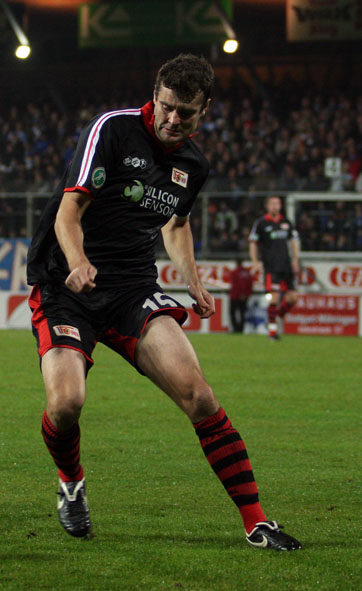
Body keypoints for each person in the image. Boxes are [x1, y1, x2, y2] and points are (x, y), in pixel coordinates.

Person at [25, 54, 301, 550]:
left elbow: (177, 224)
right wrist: (78, 262)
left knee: (199, 395)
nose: (173, 119)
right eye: (167, 106)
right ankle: (71, 483)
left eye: (186, 112)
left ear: (204, 109)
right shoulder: (112, 130)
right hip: (67, 286)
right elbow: (69, 210)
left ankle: (257, 523)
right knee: (66, 404)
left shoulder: (194, 165)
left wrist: (193, 281)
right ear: (154, 95)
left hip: (132, 287)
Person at [248, 195, 300, 340]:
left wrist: (295, 260)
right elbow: (253, 242)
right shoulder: (261, 223)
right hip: (271, 267)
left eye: (277, 204)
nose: (275, 206)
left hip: (286, 265)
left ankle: (274, 317)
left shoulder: (286, 222)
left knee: (293, 298)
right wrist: (255, 262)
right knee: (274, 297)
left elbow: (294, 241)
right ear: (267, 206)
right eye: (272, 204)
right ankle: (272, 331)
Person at [228, 257, 253, 333]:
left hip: (235, 296)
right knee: (242, 313)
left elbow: (235, 285)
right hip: (244, 297)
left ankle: (235, 328)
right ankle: (241, 329)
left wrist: (238, 294)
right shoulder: (247, 273)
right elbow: (250, 285)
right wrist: (246, 295)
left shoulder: (234, 272)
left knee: (232, 312)